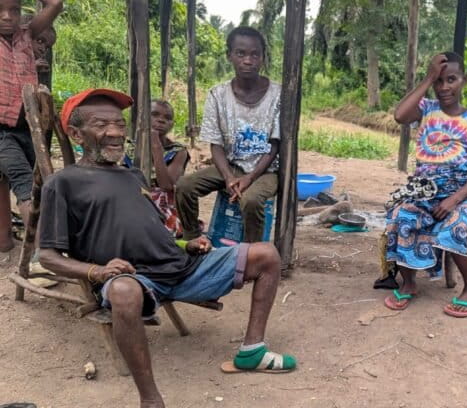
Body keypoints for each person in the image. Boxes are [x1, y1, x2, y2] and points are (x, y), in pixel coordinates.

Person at [38, 89, 296, 408]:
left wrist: (188, 244)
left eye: (120, 123)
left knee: (266, 255)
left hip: (183, 267)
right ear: (76, 134)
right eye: (102, 124)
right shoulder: (63, 183)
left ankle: (251, 350)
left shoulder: (132, 176)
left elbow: (154, 231)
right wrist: (96, 271)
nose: (116, 132)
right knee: (121, 291)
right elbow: (47, 256)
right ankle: (150, 399)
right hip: (138, 280)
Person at [383, 52, 467, 318]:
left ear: (464, 81)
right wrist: (428, 76)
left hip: (465, 196)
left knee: (452, 227)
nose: (444, 87)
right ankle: (409, 284)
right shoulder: (427, 109)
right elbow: (400, 115)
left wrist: (454, 199)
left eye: (451, 80)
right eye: (439, 81)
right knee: (402, 216)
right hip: (424, 192)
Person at [176, 26, 279, 243]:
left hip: (266, 169)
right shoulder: (217, 95)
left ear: (262, 58)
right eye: (241, 53)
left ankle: (253, 255)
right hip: (231, 165)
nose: (248, 60)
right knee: (184, 186)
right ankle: (193, 241)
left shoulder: (278, 94)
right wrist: (229, 177)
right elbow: (216, 144)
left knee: (250, 200)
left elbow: (274, 145)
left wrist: (250, 178)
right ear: (229, 56)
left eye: (255, 54)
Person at [0, 0, 62, 251]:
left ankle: (4, 241)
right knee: (26, 186)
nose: (8, 17)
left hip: (28, 125)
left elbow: (55, 2)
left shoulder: (27, 36)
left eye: (14, 10)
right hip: (1, 130)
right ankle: (42, 254)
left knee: (33, 181)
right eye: (0, 11)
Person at [124, 100, 189, 236]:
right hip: (131, 199)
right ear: (144, 118)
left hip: (163, 207)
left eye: (168, 118)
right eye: (155, 115)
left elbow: (166, 185)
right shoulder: (129, 147)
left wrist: (156, 149)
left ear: (172, 124)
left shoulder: (178, 151)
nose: (161, 121)